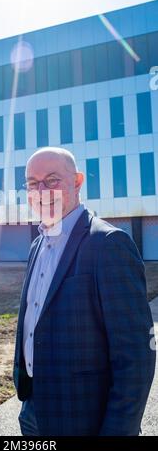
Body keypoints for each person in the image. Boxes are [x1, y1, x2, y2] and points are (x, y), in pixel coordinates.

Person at [13, 147, 156, 436]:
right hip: (32, 409)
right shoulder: (36, 246)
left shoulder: (108, 244)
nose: (41, 190)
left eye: (52, 180)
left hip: (85, 416)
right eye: (32, 183)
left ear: (77, 181)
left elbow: (136, 355)